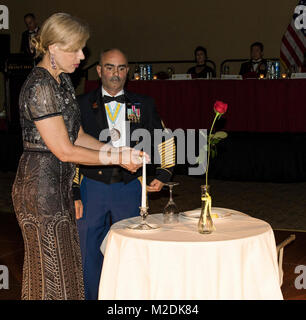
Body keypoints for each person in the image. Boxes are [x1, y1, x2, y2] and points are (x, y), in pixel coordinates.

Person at [12, 13, 145, 300]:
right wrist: (116, 159)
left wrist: (116, 150)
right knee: (49, 272)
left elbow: (78, 136)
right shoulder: (40, 86)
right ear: (53, 48)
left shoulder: (61, 83)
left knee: (68, 268)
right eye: (75, 49)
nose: (81, 56)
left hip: (57, 186)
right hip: (39, 190)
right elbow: (64, 150)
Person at [73, 48, 176, 300]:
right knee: (87, 252)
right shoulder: (81, 104)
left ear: (127, 71)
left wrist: (164, 173)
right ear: (99, 70)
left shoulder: (143, 103)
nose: (115, 74)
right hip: (92, 186)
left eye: (120, 68)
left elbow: (165, 138)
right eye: (109, 67)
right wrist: (73, 190)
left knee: (132, 251)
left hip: (131, 186)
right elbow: (70, 147)